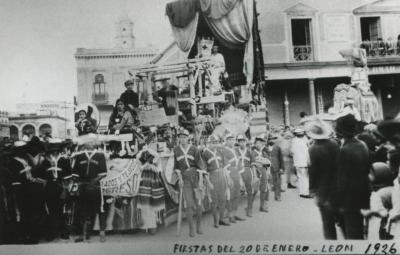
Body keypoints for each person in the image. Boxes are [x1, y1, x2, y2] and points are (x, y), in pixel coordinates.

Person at [335, 114, 370, 239]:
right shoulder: (362, 145)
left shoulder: (345, 149)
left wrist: (338, 201)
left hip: (349, 198)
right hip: (363, 194)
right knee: (358, 231)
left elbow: (342, 179)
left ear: (341, 131)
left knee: (352, 233)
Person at [306, 118, 339, 240]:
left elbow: (312, 172)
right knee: (343, 221)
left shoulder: (312, 150)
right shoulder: (335, 145)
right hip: (338, 187)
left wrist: (312, 191)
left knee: (328, 224)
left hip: (323, 191)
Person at [72, 139, 108, 242]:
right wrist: (80, 183)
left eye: (92, 142)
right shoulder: (79, 156)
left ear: (95, 145)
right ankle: (83, 234)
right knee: (82, 209)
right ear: (84, 145)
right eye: (88, 142)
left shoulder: (100, 155)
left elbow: (103, 173)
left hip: (95, 187)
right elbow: (75, 173)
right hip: (83, 186)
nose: (90, 144)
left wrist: (93, 182)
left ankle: (101, 233)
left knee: (99, 209)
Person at [173, 129, 204, 237]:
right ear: (178, 139)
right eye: (180, 137)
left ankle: (199, 225)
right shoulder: (176, 150)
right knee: (188, 205)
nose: (182, 139)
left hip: (195, 177)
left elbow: (200, 165)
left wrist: (200, 181)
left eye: (184, 137)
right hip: (185, 179)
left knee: (198, 203)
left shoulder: (194, 149)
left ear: (188, 138)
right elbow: (177, 167)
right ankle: (191, 228)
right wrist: (180, 179)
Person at [201, 135, 230, 227]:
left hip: (221, 175)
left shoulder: (220, 152)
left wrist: (228, 178)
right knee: (214, 200)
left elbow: (225, 167)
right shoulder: (205, 153)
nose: (215, 144)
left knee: (223, 198)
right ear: (209, 143)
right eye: (213, 142)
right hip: (212, 176)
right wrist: (208, 182)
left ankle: (222, 219)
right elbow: (204, 170)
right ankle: (215, 221)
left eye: (216, 142)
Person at [221, 133, 245, 223]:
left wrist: (241, 177)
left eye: (232, 139)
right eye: (229, 140)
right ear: (226, 141)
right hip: (229, 173)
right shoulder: (224, 151)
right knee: (230, 195)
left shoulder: (236, 150)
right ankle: (230, 215)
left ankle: (234, 214)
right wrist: (228, 177)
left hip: (236, 172)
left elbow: (239, 163)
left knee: (237, 194)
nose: (231, 141)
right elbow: (225, 165)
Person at [236, 135, 257, 217]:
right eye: (240, 141)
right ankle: (232, 211)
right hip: (238, 171)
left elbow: (253, 165)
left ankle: (249, 208)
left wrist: (255, 176)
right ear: (238, 142)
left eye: (243, 141)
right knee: (235, 191)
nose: (242, 143)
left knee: (250, 190)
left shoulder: (249, 152)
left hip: (247, 171)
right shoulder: (235, 151)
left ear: (246, 142)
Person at [251, 135, 271, 212]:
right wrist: (263, 161)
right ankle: (250, 205)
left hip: (263, 171)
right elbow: (253, 163)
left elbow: (268, 162)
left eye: (261, 143)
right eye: (258, 143)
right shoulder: (252, 153)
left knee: (264, 189)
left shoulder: (263, 153)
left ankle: (262, 206)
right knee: (254, 190)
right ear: (255, 144)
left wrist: (264, 162)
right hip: (255, 172)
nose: (260, 145)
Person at [291, 128, 311, 198]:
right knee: (305, 178)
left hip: (297, 162)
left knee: (300, 177)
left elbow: (292, 152)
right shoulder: (303, 142)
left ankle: (301, 192)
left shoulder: (294, 141)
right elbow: (307, 153)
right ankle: (305, 193)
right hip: (303, 162)